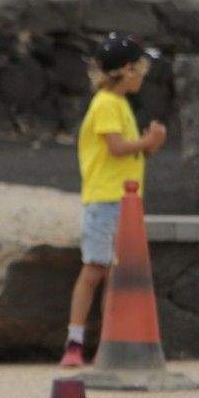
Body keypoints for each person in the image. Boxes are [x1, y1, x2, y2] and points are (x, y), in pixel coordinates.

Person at [66, 33, 166, 368]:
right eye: (140, 68)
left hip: (124, 201)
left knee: (114, 273)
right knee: (95, 268)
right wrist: (146, 141)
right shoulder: (107, 104)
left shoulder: (120, 104)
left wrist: (152, 144)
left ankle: (111, 340)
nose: (144, 74)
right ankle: (75, 342)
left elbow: (130, 153)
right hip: (106, 200)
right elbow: (117, 147)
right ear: (125, 70)